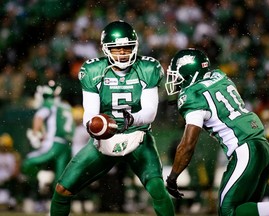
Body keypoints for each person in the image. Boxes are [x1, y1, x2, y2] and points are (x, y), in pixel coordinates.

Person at [50, 20, 175, 216]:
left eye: (127, 47)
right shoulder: (93, 71)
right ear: (105, 49)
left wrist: (131, 120)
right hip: (105, 137)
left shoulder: (147, 68)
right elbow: (90, 113)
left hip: (138, 135)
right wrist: (95, 126)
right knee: (62, 190)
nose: (123, 53)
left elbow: (150, 112)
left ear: (135, 47)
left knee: (157, 188)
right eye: (117, 48)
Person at [164, 48, 269, 216]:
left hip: (245, 150)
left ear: (188, 73)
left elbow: (187, 145)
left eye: (177, 75)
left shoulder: (192, 95)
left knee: (228, 212)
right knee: (250, 209)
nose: (175, 80)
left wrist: (172, 178)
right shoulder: (220, 77)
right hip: (263, 147)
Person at [21, 80, 75, 212]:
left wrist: (36, 132)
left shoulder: (49, 104)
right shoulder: (66, 106)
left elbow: (39, 117)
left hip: (54, 143)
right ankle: (56, 206)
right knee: (62, 179)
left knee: (27, 163)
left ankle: (35, 194)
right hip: (67, 145)